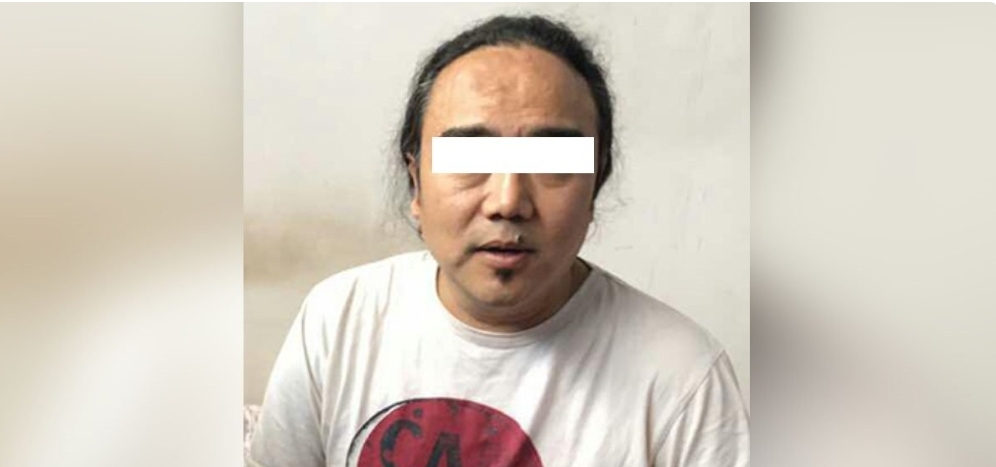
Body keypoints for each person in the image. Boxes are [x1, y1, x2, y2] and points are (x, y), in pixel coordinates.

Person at [248, 14, 749, 467]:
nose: (508, 201)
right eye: (469, 157)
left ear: (595, 184)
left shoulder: (682, 377)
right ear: (416, 182)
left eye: (551, 161)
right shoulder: (340, 319)